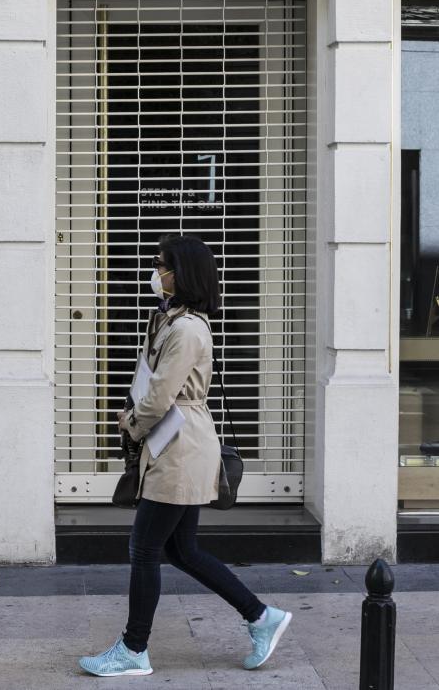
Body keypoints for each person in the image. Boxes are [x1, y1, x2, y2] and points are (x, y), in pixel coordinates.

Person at [78, 234, 292, 678]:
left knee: (144, 549)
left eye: (162, 265)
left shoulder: (188, 328)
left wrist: (132, 423)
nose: (155, 273)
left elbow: (160, 396)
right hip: (173, 442)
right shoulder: (170, 320)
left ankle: (134, 649)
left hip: (179, 447)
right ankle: (261, 617)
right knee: (183, 550)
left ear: (183, 273)